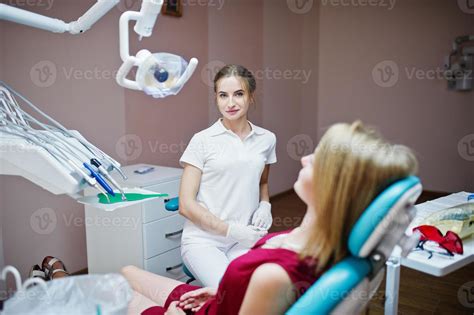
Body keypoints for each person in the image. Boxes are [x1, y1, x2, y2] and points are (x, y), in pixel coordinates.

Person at [121, 121, 418, 315]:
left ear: (335, 188)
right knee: (126, 272)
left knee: (113, 292)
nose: (305, 159)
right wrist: (223, 292)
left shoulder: (273, 276)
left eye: (318, 159)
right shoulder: (327, 247)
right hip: (215, 301)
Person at [177, 65, 277, 287]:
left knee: (263, 288)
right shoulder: (202, 140)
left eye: (238, 94)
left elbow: (262, 181)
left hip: (244, 240)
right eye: (223, 95)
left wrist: (265, 204)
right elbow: (185, 205)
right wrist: (232, 230)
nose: (230, 103)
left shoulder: (266, 139)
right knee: (231, 292)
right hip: (204, 241)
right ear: (216, 98)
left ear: (251, 97)